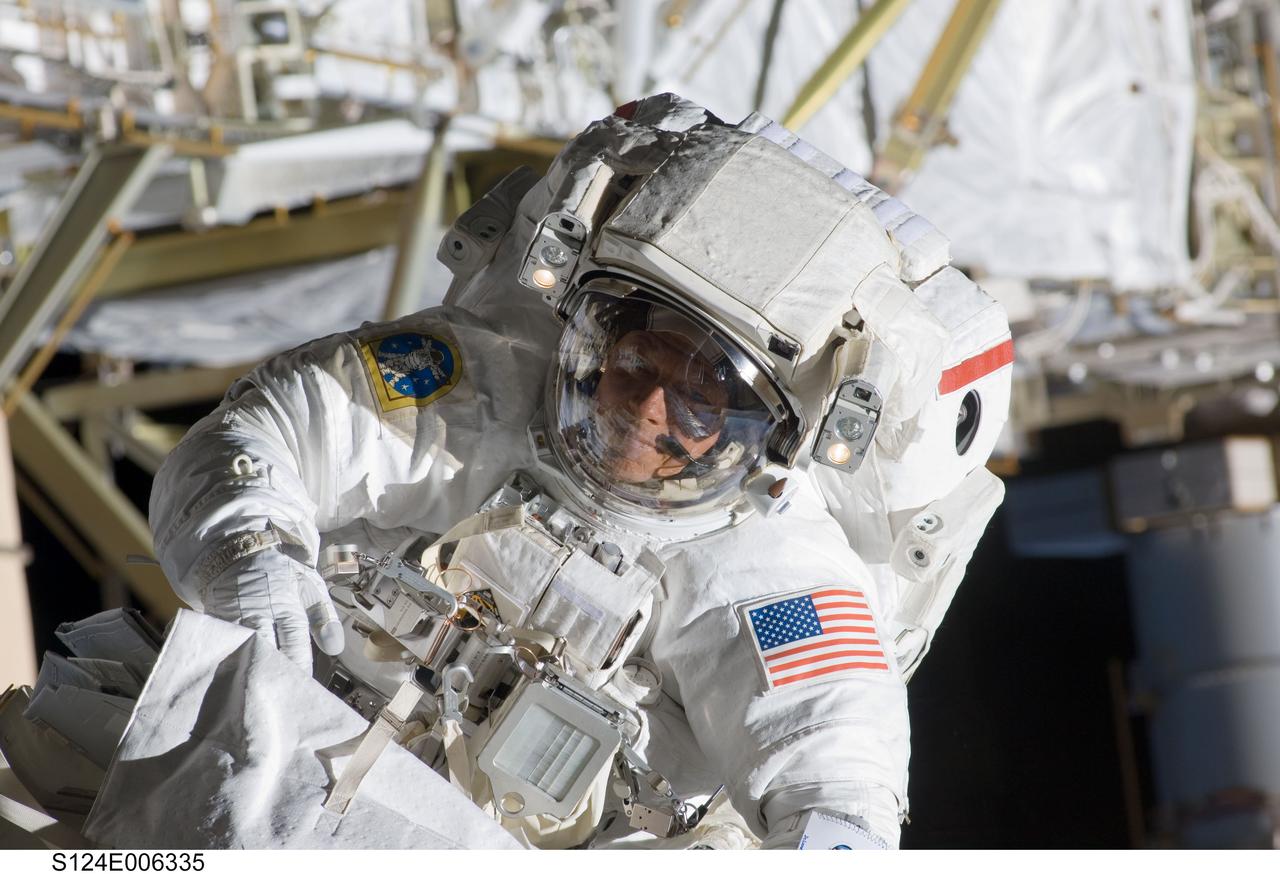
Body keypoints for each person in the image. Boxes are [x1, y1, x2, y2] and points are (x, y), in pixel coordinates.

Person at [147, 93, 1012, 849]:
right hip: (268, 768)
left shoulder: (781, 577)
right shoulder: (477, 388)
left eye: (701, 399)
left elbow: (840, 789)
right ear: (589, 337)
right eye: (637, 359)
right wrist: (245, 547)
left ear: (768, 443)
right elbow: (268, 433)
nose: (647, 409)